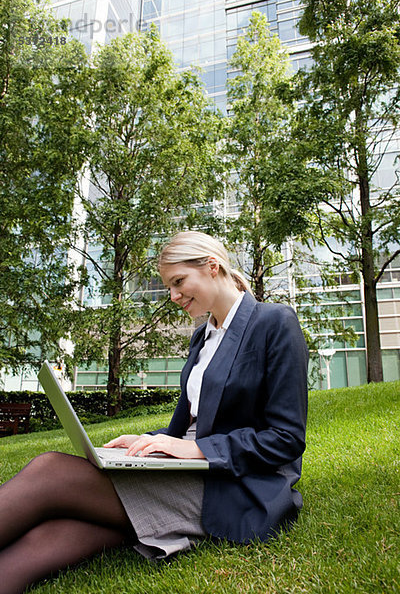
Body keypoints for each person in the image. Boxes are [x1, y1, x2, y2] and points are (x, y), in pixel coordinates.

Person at [0, 231, 308, 594]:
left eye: (178, 283)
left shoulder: (274, 323)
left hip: (232, 483)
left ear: (212, 267)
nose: (173, 296)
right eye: (169, 287)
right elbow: (193, 422)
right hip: (186, 470)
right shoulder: (203, 336)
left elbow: (287, 439)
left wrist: (199, 450)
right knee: (51, 535)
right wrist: (153, 439)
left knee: (50, 471)